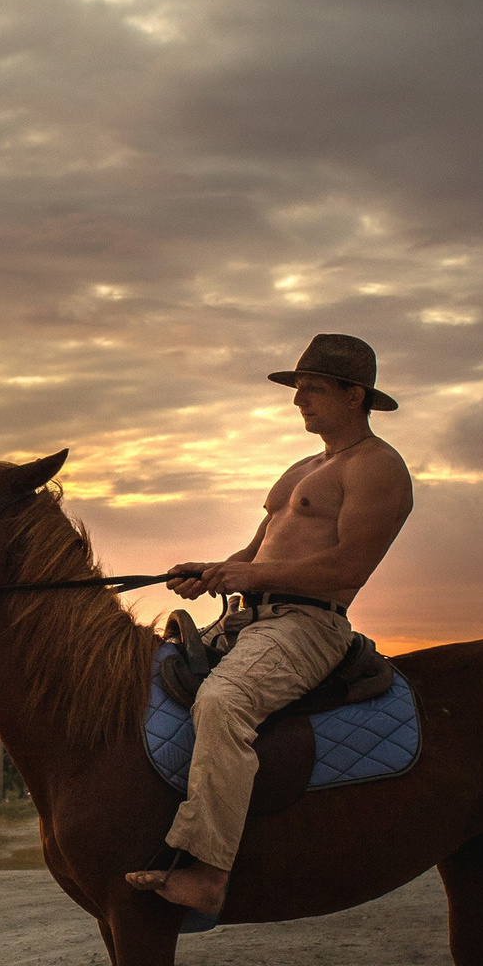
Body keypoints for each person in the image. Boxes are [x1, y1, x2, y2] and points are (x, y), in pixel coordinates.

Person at [126, 334, 415, 923]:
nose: (297, 402)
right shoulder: (305, 468)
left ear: (353, 394)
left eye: (311, 389)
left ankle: (207, 874)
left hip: (309, 624)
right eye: (297, 390)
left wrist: (246, 574)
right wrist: (212, 571)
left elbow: (348, 567)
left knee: (224, 703)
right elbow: (256, 553)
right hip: (246, 617)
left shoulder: (378, 468)